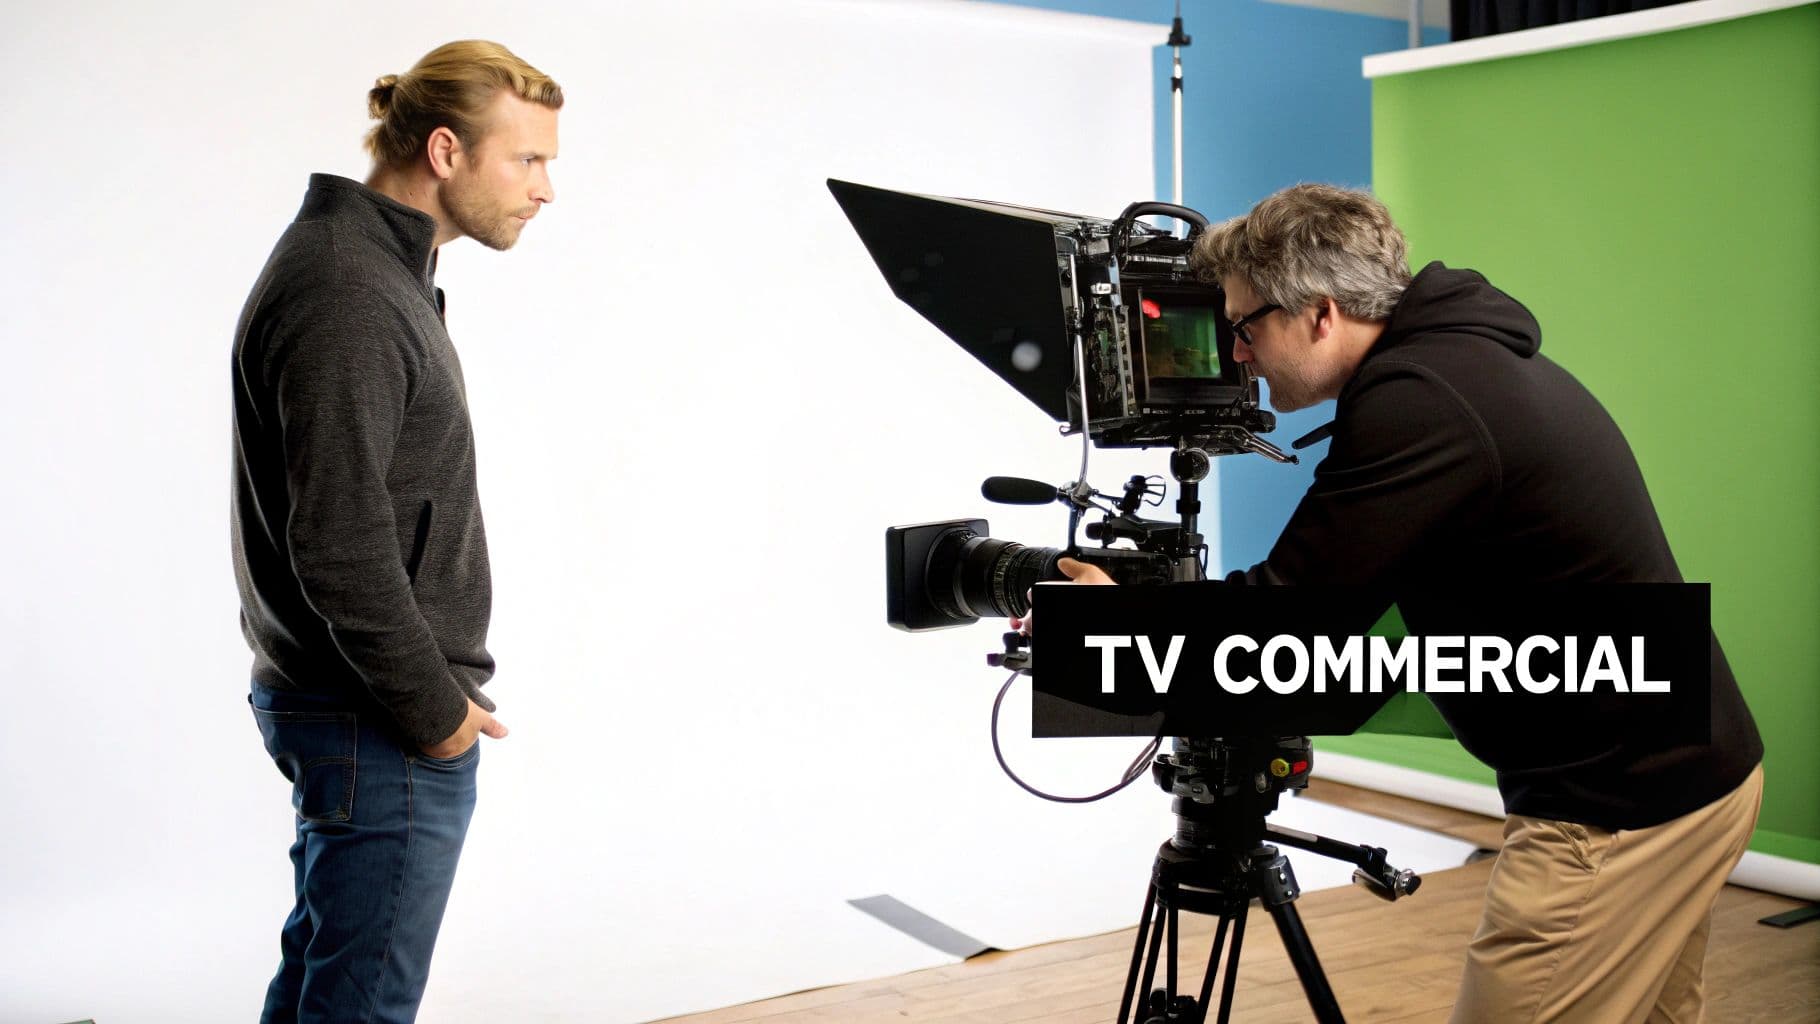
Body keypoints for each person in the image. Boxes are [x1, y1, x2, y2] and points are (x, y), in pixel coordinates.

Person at [1026, 184, 1762, 1023]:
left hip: (1620, 805)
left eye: (1244, 326)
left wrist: (1109, 633)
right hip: (1698, 764)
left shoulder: (1424, 401)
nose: (1235, 355)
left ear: (1320, 313)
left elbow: (1293, 618)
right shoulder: (1459, 359)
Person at [229, 40, 560, 1023]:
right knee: (360, 1008)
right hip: (375, 716)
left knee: (324, 989)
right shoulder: (349, 292)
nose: (546, 190)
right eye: (528, 160)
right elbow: (336, 539)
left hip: (357, 709)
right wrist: (436, 716)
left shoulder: (371, 268)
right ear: (448, 151)